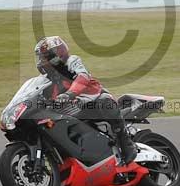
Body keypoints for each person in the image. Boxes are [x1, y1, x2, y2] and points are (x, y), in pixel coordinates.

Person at [34, 36, 138, 164]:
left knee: (105, 102)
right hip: (73, 112)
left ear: (58, 53)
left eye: (45, 57)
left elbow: (82, 77)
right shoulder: (47, 79)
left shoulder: (71, 61)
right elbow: (38, 95)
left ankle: (126, 143)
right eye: (40, 57)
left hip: (94, 100)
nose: (42, 61)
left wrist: (69, 94)